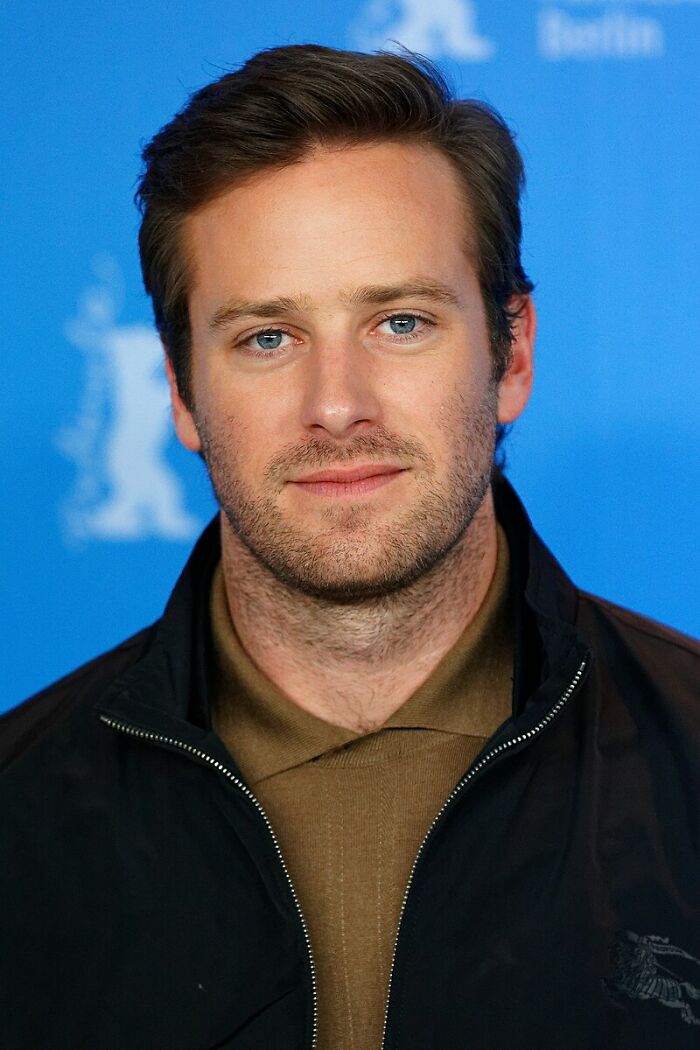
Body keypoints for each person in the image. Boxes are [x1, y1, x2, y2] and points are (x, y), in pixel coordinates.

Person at [2, 44, 698, 1050]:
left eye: (401, 321)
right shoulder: (16, 821)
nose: (337, 406)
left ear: (513, 355)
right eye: (266, 339)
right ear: (182, 392)